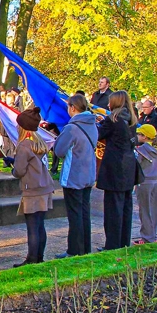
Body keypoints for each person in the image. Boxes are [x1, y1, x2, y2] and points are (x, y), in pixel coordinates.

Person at [53, 94, 97, 258]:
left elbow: (59, 151)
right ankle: (85, 248)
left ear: (72, 107)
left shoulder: (72, 128)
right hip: (88, 174)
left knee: (75, 215)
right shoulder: (92, 124)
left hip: (73, 176)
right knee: (84, 213)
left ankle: (74, 250)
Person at [10, 107, 55, 266]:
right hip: (44, 186)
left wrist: (13, 167)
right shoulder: (39, 142)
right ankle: (39, 257)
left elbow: (19, 171)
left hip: (32, 188)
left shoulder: (24, 145)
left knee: (32, 227)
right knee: (40, 225)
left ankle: (32, 259)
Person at [96, 90, 139, 251]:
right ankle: (123, 241)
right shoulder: (131, 119)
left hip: (115, 168)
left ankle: (112, 244)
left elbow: (99, 134)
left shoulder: (113, 119)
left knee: (113, 209)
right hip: (128, 166)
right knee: (126, 207)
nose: (108, 104)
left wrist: (98, 123)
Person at [133, 124, 157, 244]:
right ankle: (152, 234)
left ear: (144, 136)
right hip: (154, 182)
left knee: (144, 210)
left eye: (139, 134)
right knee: (153, 209)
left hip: (144, 182)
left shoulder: (142, 150)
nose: (137, 136)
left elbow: (136, 165)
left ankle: (147, 237)